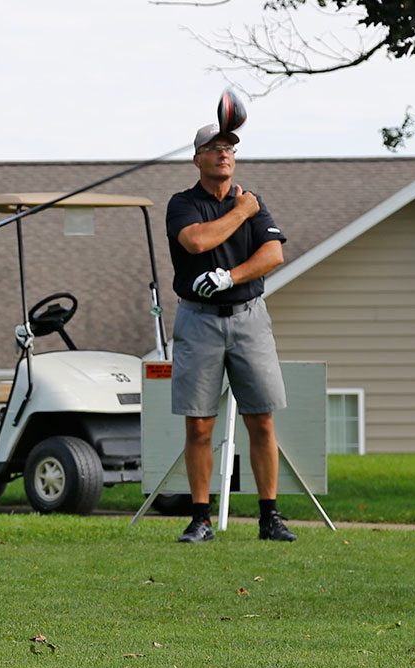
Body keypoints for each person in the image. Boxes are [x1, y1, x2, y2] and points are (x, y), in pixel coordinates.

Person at [164, 123, 297, 544]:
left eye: (229, 148)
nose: (224, 154)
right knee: (200, 425)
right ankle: (200, 519)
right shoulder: (184, 204)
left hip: (249, 317)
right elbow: (197, 243)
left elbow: (273, 252)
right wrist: (241, 212)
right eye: (214, 148)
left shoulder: (256, 202)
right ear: (197, 158)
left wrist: (230, 277)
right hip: (198, 320)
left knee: (261, 419)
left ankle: (269, 518)